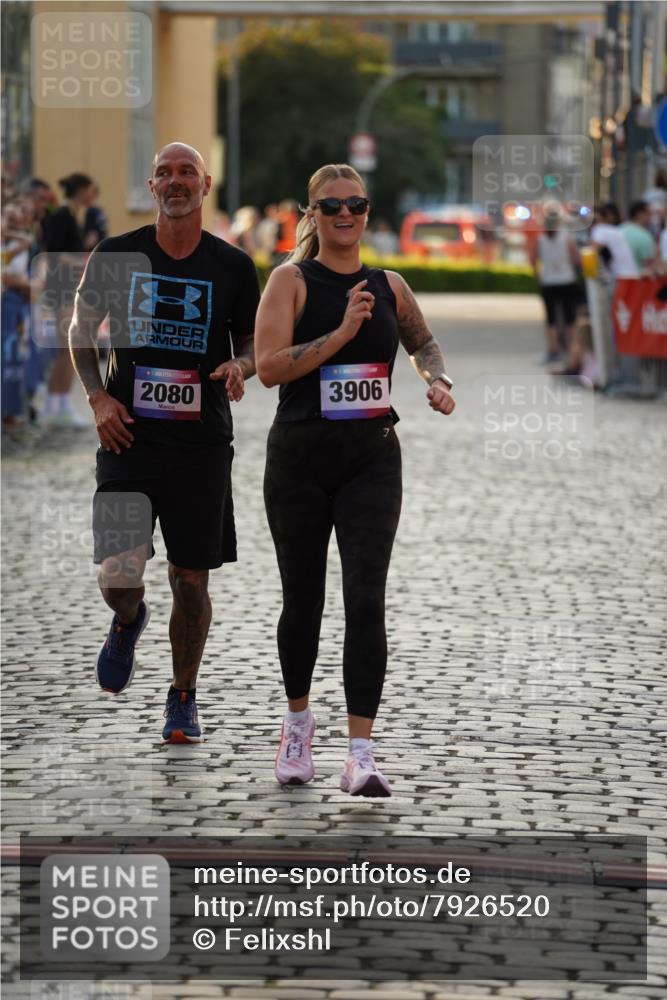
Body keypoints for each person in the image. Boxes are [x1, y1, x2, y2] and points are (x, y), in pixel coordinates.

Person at [255, 164, 455, 797]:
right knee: (303, 600)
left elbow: (423, 343)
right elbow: (268, 367)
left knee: (367, 601)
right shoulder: (290, 281)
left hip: (372, 460)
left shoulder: (389, 284)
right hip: (299, 461)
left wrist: (437, 380)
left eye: (357, 204)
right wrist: (341, 332)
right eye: (332, 205)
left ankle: (360, 754)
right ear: (311, 214)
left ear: (368, 212)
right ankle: (297, 726)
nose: (345, 214)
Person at [69, 142, 260, 743]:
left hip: (201, 446)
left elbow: (252, 342)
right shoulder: (117, 254)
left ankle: (182, 696)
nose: (175, 182)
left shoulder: (233, 266)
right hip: (127, 438)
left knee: (191, 580)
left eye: (186, 173)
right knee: (118, 577)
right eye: (164, 173)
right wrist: (98, 398)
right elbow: (80, 329)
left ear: (206, 185)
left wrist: (242, 366)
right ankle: (128, 621)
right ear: (151, 187)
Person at [42, 172, 98, 427]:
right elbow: (54, 254)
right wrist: (84, 262)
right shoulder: (62, 215)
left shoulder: (73, 216)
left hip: (68, 288)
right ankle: (57, 405)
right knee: (67, 349)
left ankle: (56, 404)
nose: (92, 195)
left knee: (66, 350)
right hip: (61, 290)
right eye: (90, 190)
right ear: (81, 190)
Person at [619, 200, 657, 272]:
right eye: (649, 214)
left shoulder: (618, 229)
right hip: (637, 276)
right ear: (640, 214)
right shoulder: (643, 236)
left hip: (616, 276)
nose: (651, 217)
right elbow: (649, 265)